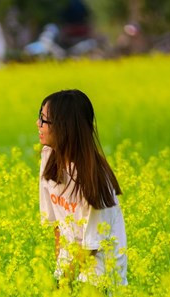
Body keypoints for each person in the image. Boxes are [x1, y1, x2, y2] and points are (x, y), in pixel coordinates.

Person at [37, 89, 128, 286]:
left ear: (64, 127)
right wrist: (61, 272)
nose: (38, 124)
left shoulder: (94, 178)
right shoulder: (48, 157)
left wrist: (65, 285)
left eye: (44, 120)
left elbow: (92, 245)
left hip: (101, 271)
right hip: (71, 260)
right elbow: (57, 227)